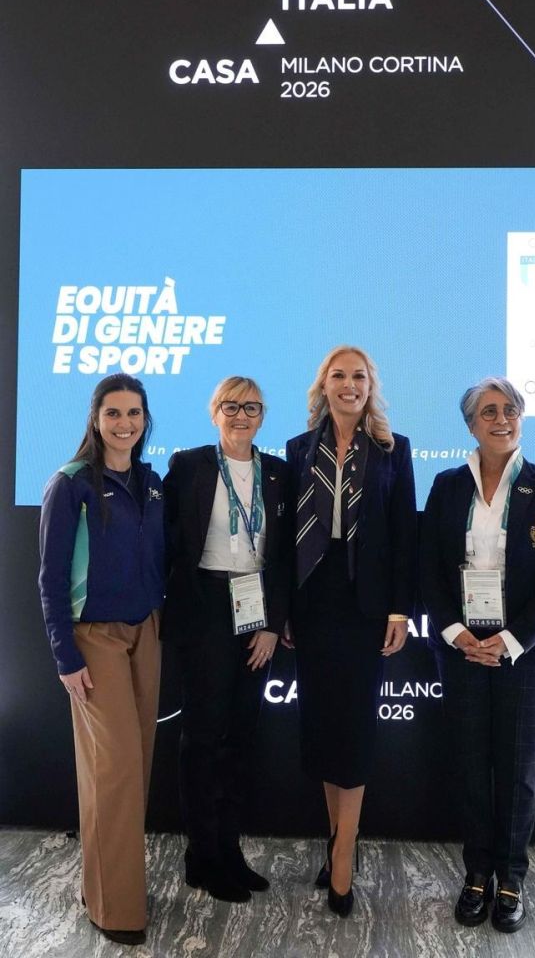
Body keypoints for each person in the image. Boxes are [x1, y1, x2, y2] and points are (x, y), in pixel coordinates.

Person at [420, 376, 535, 934]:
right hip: (463, 649)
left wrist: (510, 642)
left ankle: (510, 878)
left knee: (518, 772)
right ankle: (477, 875)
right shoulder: (446, 486)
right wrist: (456, 633)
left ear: (521, 418)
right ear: (470, 425)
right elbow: (428, 570)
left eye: (510, 409)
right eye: (488, 411)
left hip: (526, 654)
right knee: (470, 766)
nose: (501, 419)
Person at [286, 346, 417, 917]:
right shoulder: (298, 449)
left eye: (358, 376)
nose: (349, 385)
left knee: (357, 725)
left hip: (365, 603)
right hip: (313, 600)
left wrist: (399, 610)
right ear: (324, 386)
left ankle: (344, 852)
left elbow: (405, 534)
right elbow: (287, 535)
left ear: (370, 386)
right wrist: (284, 609)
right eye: (338, 376)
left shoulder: (393, 449)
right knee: (322, 723)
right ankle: (335, 837)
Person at [39, 374, 164, 947]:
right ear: (95, 419)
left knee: (135, 768)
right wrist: (65, 656)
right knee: (114, 772)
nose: (124, 423)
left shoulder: (151, 483)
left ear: (145, 419)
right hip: (95, 639)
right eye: (113, 413)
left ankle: (106, 885)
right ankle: (116, 909)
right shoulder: (70, 485)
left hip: (146, 632)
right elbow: (50, 578)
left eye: (134, 413)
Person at [162, 377, 291, 903]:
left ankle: (230, 850)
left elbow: (285, 556)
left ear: (263, 415)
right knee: (203, 737)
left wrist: (272, 624)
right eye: (231, 406)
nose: (242, 416)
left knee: (241, 735)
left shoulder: (278, 473)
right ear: (215, 412)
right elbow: (168, 542)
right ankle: (203, 855)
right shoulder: (188, 466)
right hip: (206, 609)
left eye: (252, 407)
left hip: (255, 609)